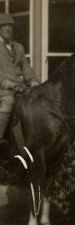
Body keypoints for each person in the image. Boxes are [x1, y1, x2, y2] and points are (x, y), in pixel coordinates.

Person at [0, 13, 39, 144]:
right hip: (3, 89)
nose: (7, 28)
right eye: (3, 26)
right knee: (9, 101)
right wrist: (9, 84)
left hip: (21, 88)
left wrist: (33, 81)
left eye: (9, 26)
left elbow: (26, 68)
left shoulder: (19, 47)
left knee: (37, 101)